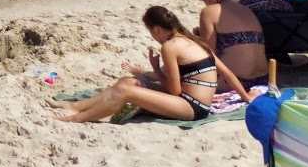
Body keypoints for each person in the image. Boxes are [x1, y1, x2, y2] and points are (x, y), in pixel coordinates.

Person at [55, 7, 251, 123]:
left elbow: (173, 90)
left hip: (192, 107)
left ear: (156, 29)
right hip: (196, 101)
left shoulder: (169, 47)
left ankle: (76, 118)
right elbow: (229, 75)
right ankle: (76, 106)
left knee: (125, 90)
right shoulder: (194, 41)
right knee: (128, 81)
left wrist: (155, 68)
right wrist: (246, 98)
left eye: (150, 30)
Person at [195, 0, 267, 91]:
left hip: (236, 82)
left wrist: (197, 40)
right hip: (263, 79)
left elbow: (208, 54)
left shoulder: (209, 11)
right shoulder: (245, 9)